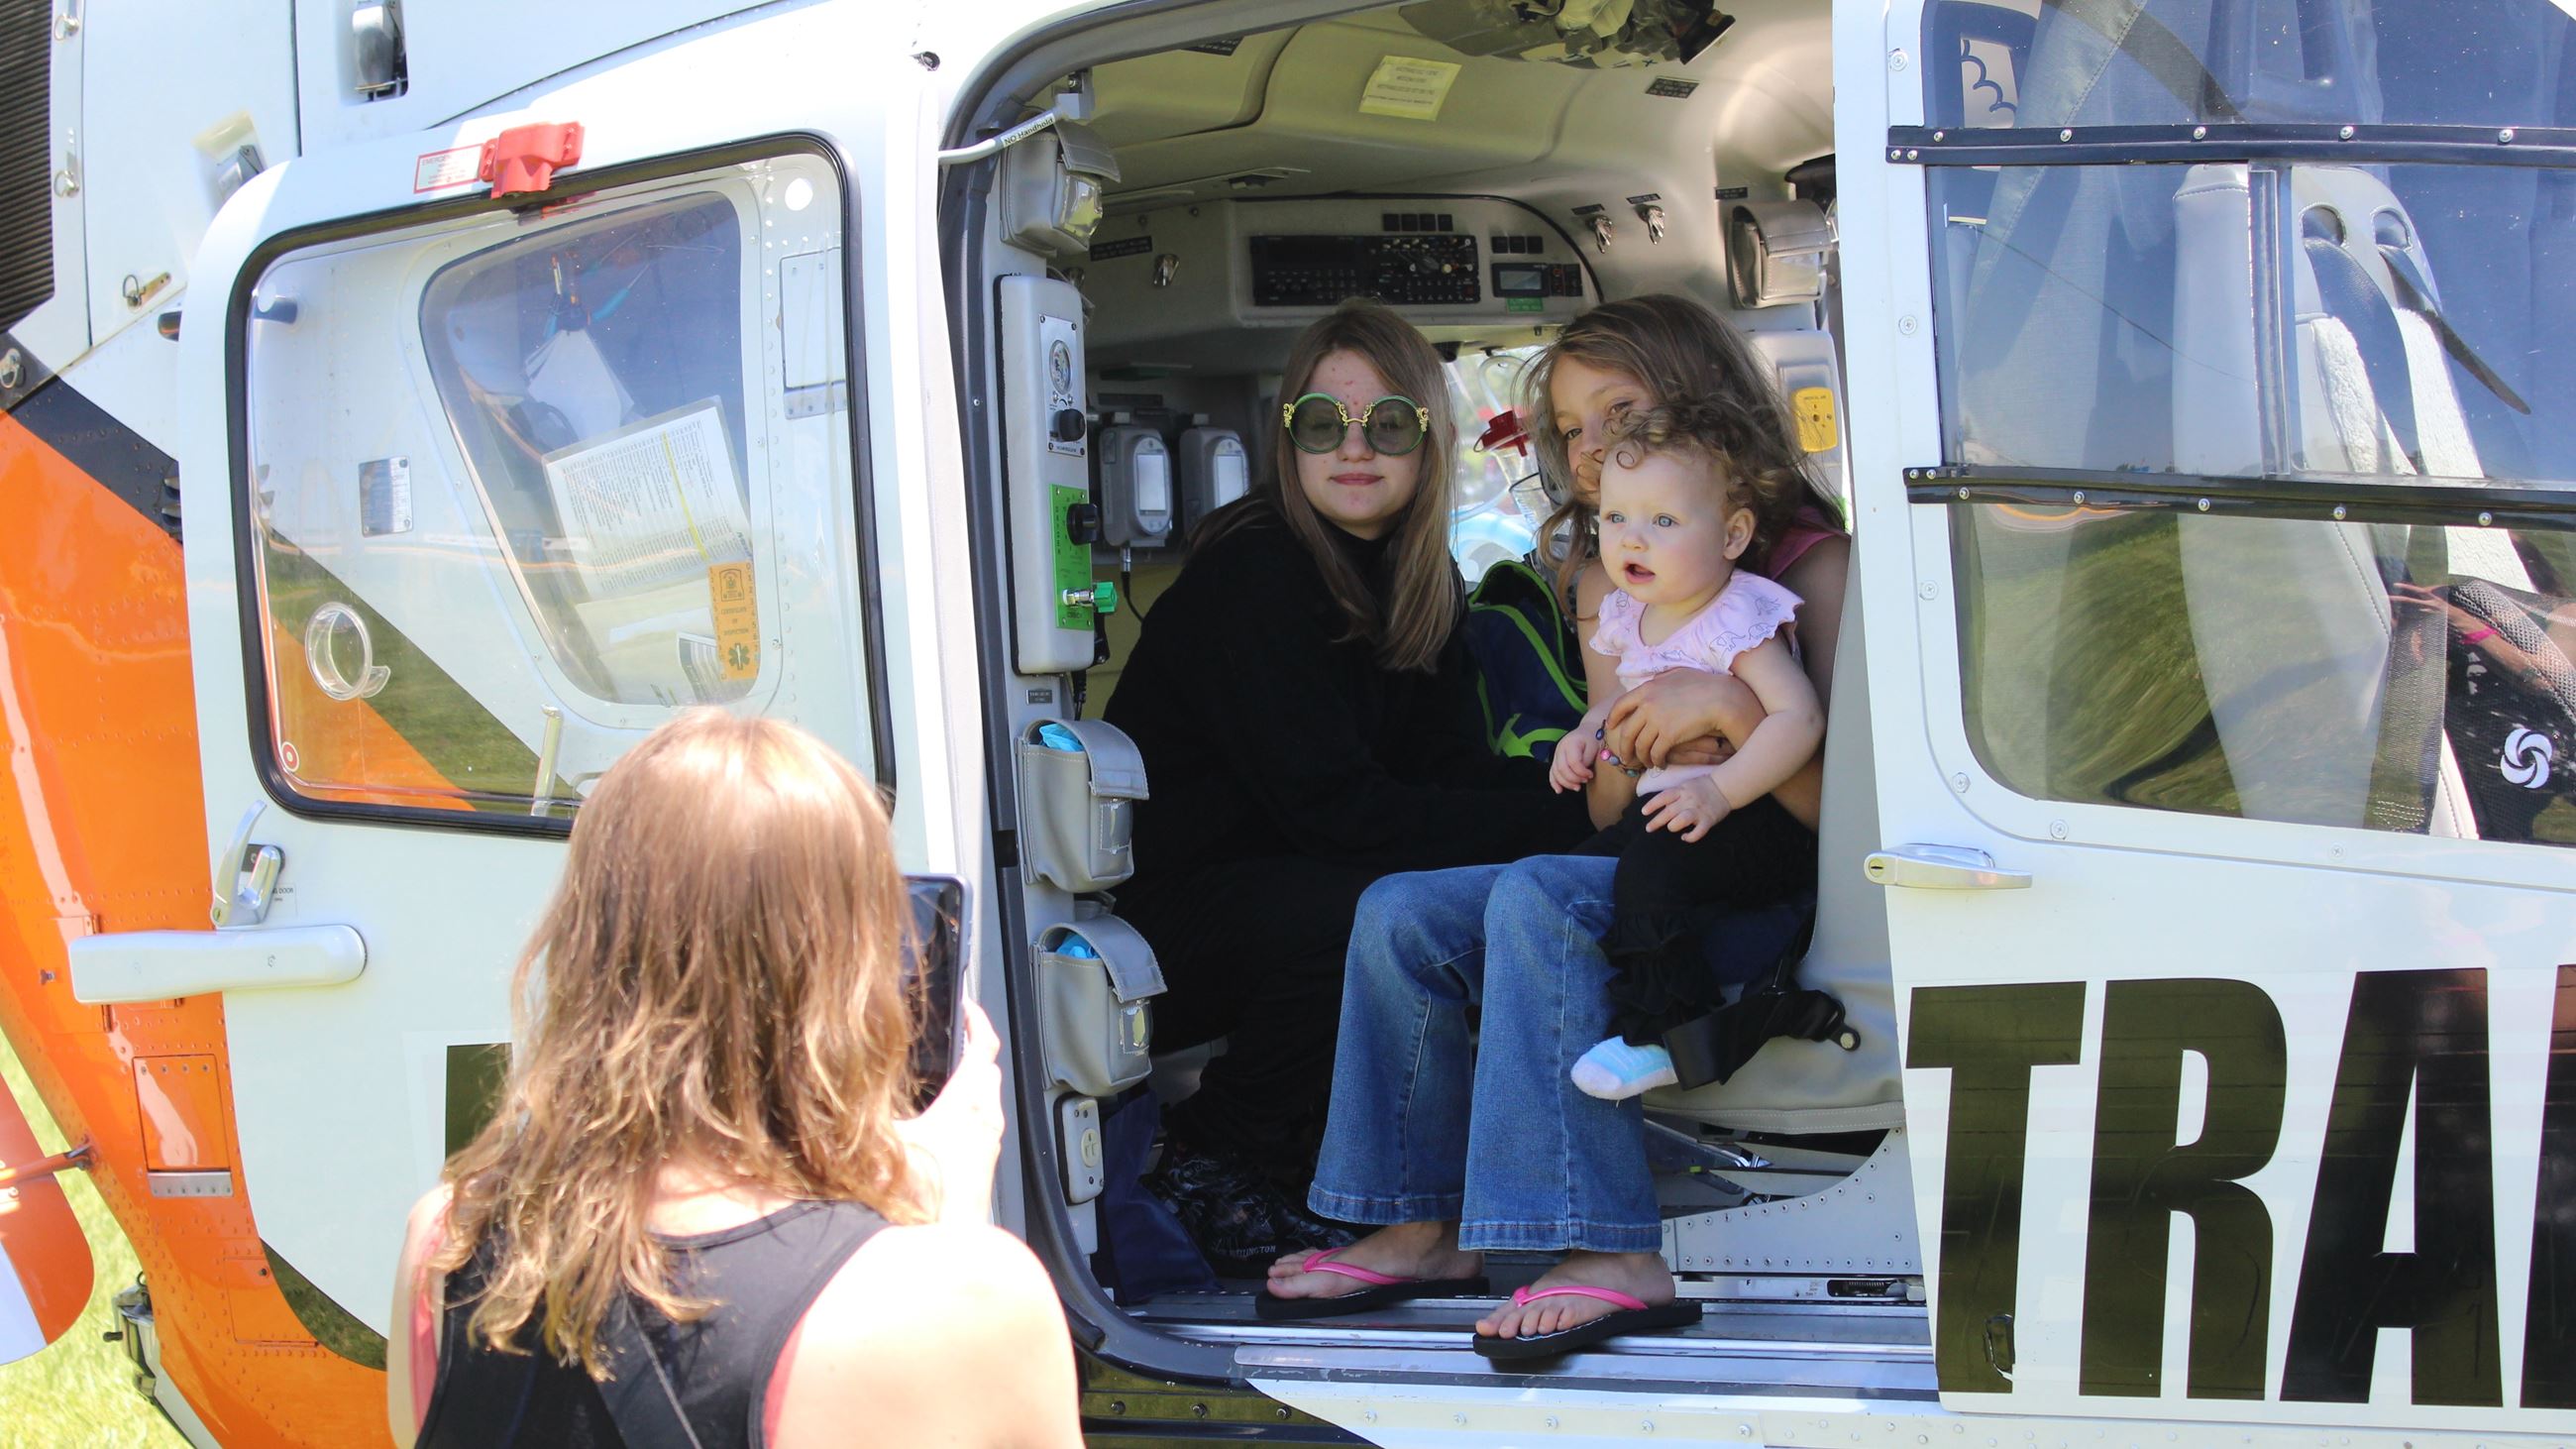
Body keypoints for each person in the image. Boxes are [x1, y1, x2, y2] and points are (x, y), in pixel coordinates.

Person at [1262, 294, 1849, 1359]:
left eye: (1615, 413)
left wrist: (1722, 715)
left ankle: (1607, 1247)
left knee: (1538, 895)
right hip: (1649, 847)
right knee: (1400, 911)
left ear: (1698, 409)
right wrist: (1615, 741)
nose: (1589, 453)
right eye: (1569, 431)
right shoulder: (1607, 579)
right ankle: (1419, 1223)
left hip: (1763, 877)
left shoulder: (1803, 568)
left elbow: (1840, 813)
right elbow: (1609, 812)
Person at [385, 711, 1081, 1449]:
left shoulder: (445, 1240)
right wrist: (947, 1233)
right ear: (855, 971)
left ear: (587, 946)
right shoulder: (960, 1297)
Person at [1103, 299, 1591, 1272]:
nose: (1353, 448)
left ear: (1427, 438)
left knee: (1440, 895)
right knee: (1366, 909)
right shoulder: (1254, 575)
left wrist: (1582, 789)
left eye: (1387, 424)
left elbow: (1446, 773)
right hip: (1157, 927)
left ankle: (1428, 1190)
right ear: (1288, 441)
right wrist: (1568, 817)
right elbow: (1340, 814)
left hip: (1278, 885)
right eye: (1321, 425)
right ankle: (1214, 1160)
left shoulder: (1419, 581)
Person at [1549, 402, 1825, 1100]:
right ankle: (1594, 1018)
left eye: (1664, 522)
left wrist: (1722, 789)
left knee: (1652, 873)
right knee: (1563, 880)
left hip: (1757, 818)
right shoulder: (1629, 616)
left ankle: (1670, 1032)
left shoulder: (1738, 615)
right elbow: (1620, 702)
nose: (1633, 541)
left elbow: (1800, 717)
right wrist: (1586, 736)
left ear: (1733, 534)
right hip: (1674, 806)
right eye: (1616, 519)